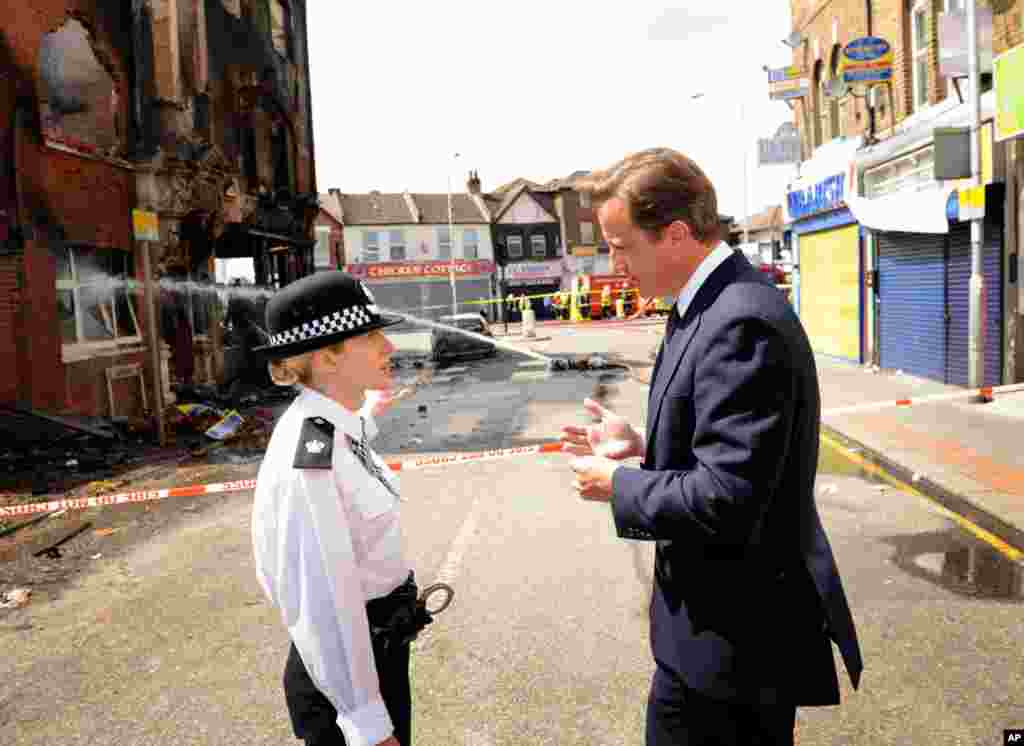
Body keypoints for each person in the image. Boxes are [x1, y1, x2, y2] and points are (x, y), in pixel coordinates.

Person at [560, 148, 862, 746]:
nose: (613, 262)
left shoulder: (738, 321)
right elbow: (733, 451)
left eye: (621, 245)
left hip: (732, 652)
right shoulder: (703, 306)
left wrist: (616, 485)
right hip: (708, 646)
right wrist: (642, 446)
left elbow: (729, 495)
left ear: (674, 234)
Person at [252, 271, 433, 746]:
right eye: (370, 335)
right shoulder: (311, 455)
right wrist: (365, 722)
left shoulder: (334, 427)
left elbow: (350, 442)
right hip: (346, 688)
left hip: (376, 658)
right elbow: (320, 604)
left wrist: (370, 408)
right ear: (328, 355)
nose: (388, 347)